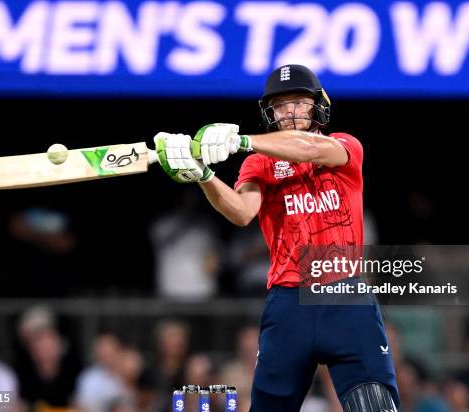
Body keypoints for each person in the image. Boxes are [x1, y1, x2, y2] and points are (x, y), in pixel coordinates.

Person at [152, 64, 399, 411]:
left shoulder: (345, 146)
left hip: (346, 296)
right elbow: (241, 211)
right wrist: (202, 174)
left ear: (318, 106)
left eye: (299, 102)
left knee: (374, 405)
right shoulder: (259, 163)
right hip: (288, 302)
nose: (290, 112)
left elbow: (310, 149)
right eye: (281, 105)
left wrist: (242, 140)